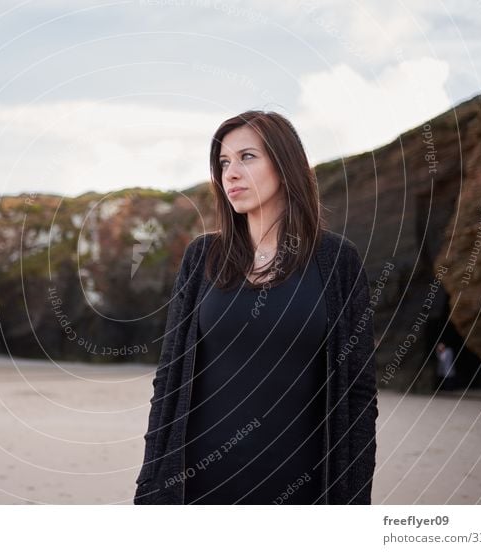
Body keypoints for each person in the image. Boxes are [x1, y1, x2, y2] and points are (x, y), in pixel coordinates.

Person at [134, 110, 378, 505]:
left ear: (285, 165)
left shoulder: (336, 261)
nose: (230, 173)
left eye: (247, 157)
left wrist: (354, 501)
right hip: (198, 485)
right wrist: (151, 485)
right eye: (223, 163)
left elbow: (359, 392)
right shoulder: (202, 257)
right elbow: (168, 381)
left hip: (305, 489)